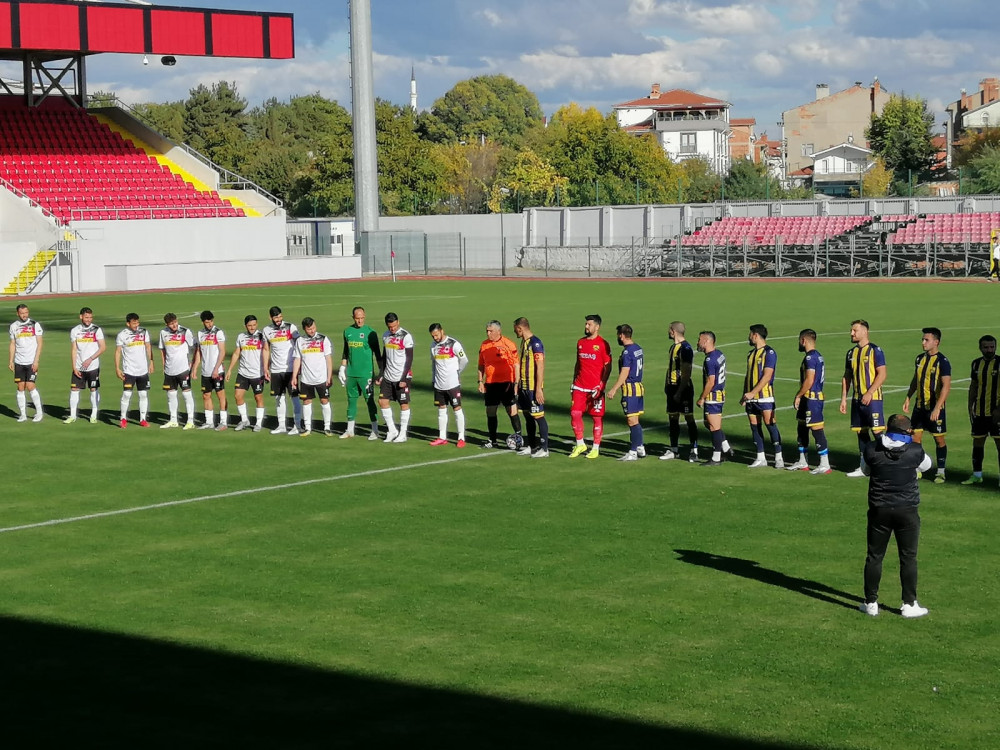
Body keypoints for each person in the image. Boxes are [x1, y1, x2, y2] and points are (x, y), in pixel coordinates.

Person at [860, 413, 932, 618]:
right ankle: (909, 604)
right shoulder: (915, 450)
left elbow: (865, 470)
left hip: (879, 509)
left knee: (874, 556)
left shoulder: (872, 448)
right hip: (907, 510)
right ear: (906, 431)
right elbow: (926, 466)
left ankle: (870, 602)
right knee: (908, 557)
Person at [902, 327, 951, 484]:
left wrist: (937, 407)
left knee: (939, 440)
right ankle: (918, 468)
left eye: (926, 340)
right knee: (915, 439)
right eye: (923, 339)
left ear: (936, 342)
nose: (923, 342)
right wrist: (909, 397)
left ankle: (941, 471)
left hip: (935, 409)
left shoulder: (942, 361)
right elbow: (915, 380)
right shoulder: (919, 359)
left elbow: (946, 386)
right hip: (919, 407)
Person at [840, 319, 887, 477]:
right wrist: (843, 399)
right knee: (861, 432)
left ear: (865, 332)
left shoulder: (875, 350)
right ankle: (864, 466)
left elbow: (882, 374)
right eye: (851, 330)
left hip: (873, 399)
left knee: (878, 432)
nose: (851, 333)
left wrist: (869, 392)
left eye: (855, 330)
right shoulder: (850, 353)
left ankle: (887, 465)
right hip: (856, 399)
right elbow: (847, 377)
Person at [788, 329, 832, 474]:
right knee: (801, 427)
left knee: (816, 429)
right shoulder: (817, 356)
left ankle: (825, 464)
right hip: (808, 398)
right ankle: (802, 461)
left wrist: (798, 395)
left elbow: (809, 380)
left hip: (812, 398)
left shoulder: (810, 358)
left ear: (803, 341)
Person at [569, 314, 612, 459]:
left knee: (596, 417)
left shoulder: (602, 344)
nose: (586, 327)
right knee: (575, 413)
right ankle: (580, 444)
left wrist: (601, 385)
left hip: (595, 388)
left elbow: (608, 366)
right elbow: (577, 363)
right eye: (586, 324)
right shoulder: (580, 342)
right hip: (579, 387)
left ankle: (595, 448)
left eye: (589, 324)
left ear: (597, 327)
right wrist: (573, 381)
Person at [741, 323, 784, 469]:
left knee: (770, 424)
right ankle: (761, 457)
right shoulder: (750, 354)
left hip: (765, 397)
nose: (749, 337)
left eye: (750, 334)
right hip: (751, 398)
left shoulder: (769, 353)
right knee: (754, 426)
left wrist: (753, 392)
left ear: (755, 335)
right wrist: (745, 394)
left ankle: (778, 456)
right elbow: (748, 376)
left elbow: (767, 375)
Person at [339, 306, 382, 440]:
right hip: (351, 373)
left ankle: (375, 430)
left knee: (369, 401)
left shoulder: (371, 333)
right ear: (353, 317)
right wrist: (342, 368)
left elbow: (378, 353)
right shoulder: (347, 332)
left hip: (366, 374)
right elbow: (346, 351)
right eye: (357, 318)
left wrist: (381, 372)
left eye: (362, 318)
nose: (360, 321)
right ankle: (350, 430)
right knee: (351, 401)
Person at [477, 320, 522, 449]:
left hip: (507, 383)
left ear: (498, 331)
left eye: (490, 331)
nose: (488, 333)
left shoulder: (509, 344)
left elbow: (516, 365)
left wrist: (516, 383)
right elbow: (481, 365)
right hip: (490, 383)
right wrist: (480, 381)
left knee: (512, 410)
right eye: (487, 331)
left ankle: (519, 437)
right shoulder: (484, 345)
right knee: (490, 411)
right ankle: (492, 440)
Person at [963, 335, 1000, 486]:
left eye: (992, 347)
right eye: (986, 347)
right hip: (979, 412)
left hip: (997, 413)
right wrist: (970, 405)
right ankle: (977, 475)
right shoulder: (976, 364)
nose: (989, 350)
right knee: (977, 443)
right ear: (980, 348)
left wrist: (999, 409)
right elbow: (974, 386)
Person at [660, 321, 699, 462]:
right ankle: (674, 450)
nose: (668, 332)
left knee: (689, 418)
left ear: (673, 331)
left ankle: (694, 450)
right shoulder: (673, 347)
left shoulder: (685, 348)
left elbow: (686, 371)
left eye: (669, 330)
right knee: (673, 418)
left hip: (683, 388)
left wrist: (679, 391)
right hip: (672, 388)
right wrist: (667, 386)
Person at [607, 323, 646, 461]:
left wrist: (614, 389)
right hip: (639, 387)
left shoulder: (627, 352)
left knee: (631, 420)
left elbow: (624, 373)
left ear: (622, 336)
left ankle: (633, 452)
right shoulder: (638, 348)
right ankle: (640, 447)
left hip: (630, 389)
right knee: (635, 419)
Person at [513, 317, 550, 458]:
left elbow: (540, 366)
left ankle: (545, 449)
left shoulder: (536, 343)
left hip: (533, 388)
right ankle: (532, 445)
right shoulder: (524, 342)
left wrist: (539, 388)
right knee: (528, 416)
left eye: (515, 329)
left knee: (539, 417)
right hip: (524, 386)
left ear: (520, 328)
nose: (514, 331)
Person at [226, 314, 269, 432]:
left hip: (257, 374)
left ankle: (258, 423)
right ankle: (244, 420)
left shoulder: (262, 337)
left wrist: (266, 369)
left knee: (258, 397)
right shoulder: (241, 337)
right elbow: (236, 353)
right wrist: (229, 369)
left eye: (254, 325)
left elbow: (267, 352)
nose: (252, 327)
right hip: (243, 373)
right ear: (245, 326)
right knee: (237, 396)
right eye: (249, 325)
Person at [263, 306, 302, 436]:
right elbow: (266, 350)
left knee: (294, 397)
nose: (278, 319)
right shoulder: (267, 330)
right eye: (276, 317)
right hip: (275, 369)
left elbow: (299, 345)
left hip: (290, 369)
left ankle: (297, 425)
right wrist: (265, 368)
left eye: (280, 316)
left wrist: (299, 366)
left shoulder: (291, 327)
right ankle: (281, 425)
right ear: (271, 318)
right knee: (279, 398)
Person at [428, 322, 469, 447]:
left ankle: (461, 437)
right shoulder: (433, 346)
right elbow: (434, 364)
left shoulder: (454, 344)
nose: (435, 338)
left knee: (457, 409)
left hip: (452, 384)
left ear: (441, 331)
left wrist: (457, 372)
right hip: (439, 384)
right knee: (441, 410)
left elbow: (464, 360)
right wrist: (434, 378)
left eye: (436, 335)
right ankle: (442, 437)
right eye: (433, 336)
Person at [291, 317, 334, 436]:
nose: (312, 330)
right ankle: (308, 428)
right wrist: (294, 376)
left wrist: (329, 376)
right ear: (304, 329)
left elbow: (328, 359)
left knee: (324, 400)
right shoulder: (300, 341)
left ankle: (327, 427)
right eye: (309, 329)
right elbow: (297, 359)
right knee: (306, 402)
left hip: (321, 378)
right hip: (306, 378)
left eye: (314, 327)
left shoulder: (323, 339)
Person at [696, 331, 733, 466]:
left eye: (699, 340)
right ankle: (726, 447)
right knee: (708, 423)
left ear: (706, 341)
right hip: (719, 393)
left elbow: (711, 381)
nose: (697, 343)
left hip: (713, 395)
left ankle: (717, 457)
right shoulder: (719, 354)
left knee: (714, 427)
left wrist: (701, 398)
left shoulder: (709, 360)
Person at [376, 312, 413, 443]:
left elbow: (409, 358)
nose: (392, 329)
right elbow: (384, 355)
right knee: (382, 401)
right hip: (388, 375)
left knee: (403, 404)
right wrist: (381, 374)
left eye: (394, 325)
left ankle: (402, 434)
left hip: (401, 376)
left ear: (398, 322)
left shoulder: (406, 336)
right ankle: (392, 430)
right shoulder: (385, 336)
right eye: (390, 326)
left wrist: (404, 378)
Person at [65, 306, 105, 424]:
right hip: (79, 366)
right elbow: (74, 349)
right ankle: (72, 415)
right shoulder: (75, 331)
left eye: (90, 317)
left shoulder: (96, 329)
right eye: (86, 317)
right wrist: (74, 366)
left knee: (93, 389)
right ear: (81, 317)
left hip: (93, 366)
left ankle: (93, 414)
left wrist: (90, 359)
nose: (89, 320)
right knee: (74, 389)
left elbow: (103, 347)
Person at [114, 312, 154, 428]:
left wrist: (151, 361)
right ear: (128, 323)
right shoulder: (122, 335)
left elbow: (148, 346)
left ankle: (142, 419)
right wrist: (117, 368)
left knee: (143, 394)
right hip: (129, 370)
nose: (136, 325)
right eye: (134, 323)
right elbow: (118, 352)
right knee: (126, 394)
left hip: (142, 370)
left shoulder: (144, 332)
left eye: (137, 322)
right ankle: (123, 418)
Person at [158, 313, 196, 429]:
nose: (174, 325)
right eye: (171, 323)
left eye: (175, 322)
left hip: (183, 369)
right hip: (170, 369)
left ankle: (190, 421)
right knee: (171, 395)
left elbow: (195, 346)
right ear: (167, 324)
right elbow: (162, 350)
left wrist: (192, 363)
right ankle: (173, 420)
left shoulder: (185, 331)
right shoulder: (163, 333)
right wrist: (164, 365)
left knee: (186, 394)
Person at [190, 310, 228, 430]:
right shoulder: (200, 333)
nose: (210, 324)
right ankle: (209, 422)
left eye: (211, 321)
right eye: (207, 322)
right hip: (205, 371)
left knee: (220, 395)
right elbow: (199, 352)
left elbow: (222, 351)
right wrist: (195, 368)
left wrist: (216, 369)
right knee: (206, 395)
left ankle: (223, 422)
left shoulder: (218, 332)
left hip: (217, 370)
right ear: (203, 322)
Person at [8, 303, 44, 422]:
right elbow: (13, 344)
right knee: (20, 387)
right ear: (17, 313)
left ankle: (39, 413)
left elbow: (40, 343)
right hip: (19, 361)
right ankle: (23, 414)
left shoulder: (35, 324)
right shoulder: (14, 326)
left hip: (31, 361)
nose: (24, 315)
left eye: (26, 313)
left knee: (30, 386)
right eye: (22, 313)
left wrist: (36, 360)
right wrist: (11, 360)